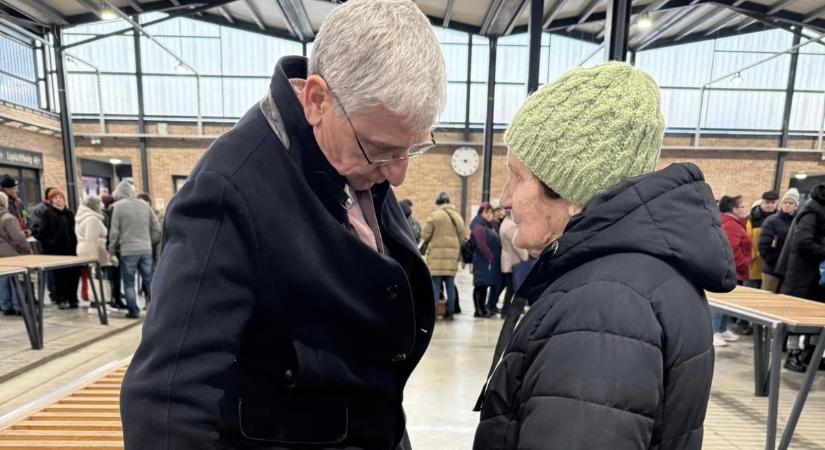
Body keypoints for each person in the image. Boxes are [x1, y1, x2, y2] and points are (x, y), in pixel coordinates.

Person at [120, 1, 445, 448]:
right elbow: (167, 400)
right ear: (316, 100)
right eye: (380, 148)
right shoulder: (229, 189)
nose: (399, 173)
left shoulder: (351, 154)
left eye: (414, 147)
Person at [473, 62, 736, 450]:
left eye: (518, 176)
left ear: (568, 185)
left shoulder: (605, 306)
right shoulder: (635, 276)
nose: (504, 198)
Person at [780, 184, 825, 371]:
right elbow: (802, 242)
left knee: (818, 317)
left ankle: (812, 355)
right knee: (797, 318)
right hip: (803, 274)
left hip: (816, 277)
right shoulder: (812, 210)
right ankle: (793, 355)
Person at [108, 179, 160, 318]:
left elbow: (114, 231)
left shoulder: (118, 207)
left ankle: (134, 311)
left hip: (128, 250)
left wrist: (111, 249)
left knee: (129, 282)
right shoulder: (145, 205)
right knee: (149, 280)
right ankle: (157, 310)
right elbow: (157, 229)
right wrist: (149, 242)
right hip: (146, 249)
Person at [421, 192, 466, 320]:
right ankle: (450, 312)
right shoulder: (457, 217)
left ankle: (434, 313)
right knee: (450, 285)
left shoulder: (434, 216)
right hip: (451, 258)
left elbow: (424, 235)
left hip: (436, 259)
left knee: (435, 286)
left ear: (438, 204)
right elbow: (463, 236)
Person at [714, 195, 750, 347]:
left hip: (731, 269)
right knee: (720, 301)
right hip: (730, 269)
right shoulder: (731, 225)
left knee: (727, 301)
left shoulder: (732, 222)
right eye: (742, 207)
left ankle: (721, 329)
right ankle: (714, 331)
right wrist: (743, 263)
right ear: (734, 209)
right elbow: (731, 250)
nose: (744, 210)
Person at [39, 189, 80, 310]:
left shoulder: (70, 213)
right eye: (56, 198)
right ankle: (61, 299)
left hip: (72, 250)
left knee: (73, 275)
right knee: (59, 277)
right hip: (57, 251)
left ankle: (72, 298)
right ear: (51, 201)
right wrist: (51, 244)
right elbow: (43, 233)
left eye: (61, 197)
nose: (59, 200)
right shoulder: (48, 213)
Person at [758, 188, 798, 293]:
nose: (787, 205)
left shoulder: (797, 222)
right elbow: (763, 245)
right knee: (766, 297)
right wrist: (771, 260)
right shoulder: (772, 221)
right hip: (771, 268)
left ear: (795, 205)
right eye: (785, 202)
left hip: (787, 270)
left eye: (791, 203)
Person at [0, 192, 30, 316]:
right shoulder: (8, 218)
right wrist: (26, 247)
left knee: (3, 281)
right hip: (11, 254)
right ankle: (18, 305)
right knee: (17, 280)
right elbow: (18, 238)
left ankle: (6, 305)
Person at [75, 196, 109, 305]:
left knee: (91, 278)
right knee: (96, 278)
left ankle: (95, 302)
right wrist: (95, 259)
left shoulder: (82, 217)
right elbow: (91, 240)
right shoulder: (92, 219)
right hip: (93, 251)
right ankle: (97, 303)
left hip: (85, 250)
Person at [470, 203, 502, 317]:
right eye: (486, 212)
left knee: (484, 286)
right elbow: (480, 244)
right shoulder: (479, 226)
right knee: (480, 286)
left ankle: (483, 308)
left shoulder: (488, 225)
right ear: (481, 213)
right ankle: (478, 310)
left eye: (490, 212)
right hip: (482, 261)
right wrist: (490, 256)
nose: (489, 215)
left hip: (486, 262)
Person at [498, 212, 529, 318]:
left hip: (507, 260)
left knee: (510, 288)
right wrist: (525, 256)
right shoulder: (511, 225)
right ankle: (506, 310)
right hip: (513, 261)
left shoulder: (505, 223)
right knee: (512, 288)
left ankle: (506, 309)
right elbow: (516, 244)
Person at [745, 191, 778, 289]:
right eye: (767, 202)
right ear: (762, 202)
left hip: (771, 267)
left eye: (773, 203)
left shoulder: (780, 219)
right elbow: (746, 241)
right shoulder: (752, 219)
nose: (770, 205)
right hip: (753, 266)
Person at [101, 194, 125, 310]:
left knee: (116, 276)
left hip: (115, 249)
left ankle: (116, 296)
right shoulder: (104, 216)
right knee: (112, 276)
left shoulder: (112, 214)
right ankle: (114, 298)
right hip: (109, 250)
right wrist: (110, 249)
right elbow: (109, 233)